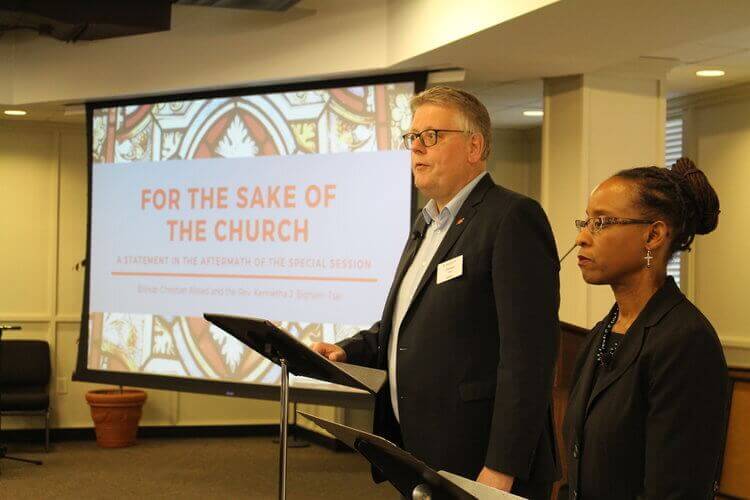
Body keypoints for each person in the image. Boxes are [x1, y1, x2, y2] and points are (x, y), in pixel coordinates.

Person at [312, 86, 560, 499]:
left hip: (481, 460)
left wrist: (501, 467)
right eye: (412, 138)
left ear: (474, 146)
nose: (416, 149)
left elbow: (529, 358)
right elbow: (406, 325)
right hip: (422, 451)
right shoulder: (427, 223)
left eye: (431, 136)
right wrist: (348, 350)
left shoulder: (510, 218)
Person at [562, 158, 728, 499]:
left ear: (653, 235)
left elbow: (675, 490)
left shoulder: (686, 341)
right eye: (586, 221)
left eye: (601, 222)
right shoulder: (602, 333)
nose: (581, 238)